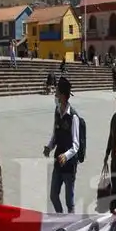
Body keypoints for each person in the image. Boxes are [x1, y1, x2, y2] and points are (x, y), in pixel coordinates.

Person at [43, 77, 80, 214]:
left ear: (63, 96)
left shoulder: (73, 117)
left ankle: (70, 224)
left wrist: (66, 155)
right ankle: (61, 218)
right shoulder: (57, 111)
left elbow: (76, 145)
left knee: (69, 202)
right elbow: (55, 134)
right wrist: (49, 146)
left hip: (69, 165)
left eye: (57, 93)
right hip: (58, 160)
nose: (55, 96)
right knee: (53, 195)